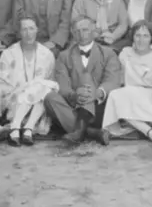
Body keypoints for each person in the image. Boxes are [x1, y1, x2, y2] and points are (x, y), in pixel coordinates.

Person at [45, 16, 125, 146]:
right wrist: (75, 95)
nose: (81, 34)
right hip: (73, 106)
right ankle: (91, 132)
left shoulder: (109, 53)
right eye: (77, 31)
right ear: (72, 33)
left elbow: (113, 81)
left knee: (86, 77)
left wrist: (97, 93)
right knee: (50, 98)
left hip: (99, 108)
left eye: (85, 30)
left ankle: (80, 131)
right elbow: (63, 85)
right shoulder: (64, 56)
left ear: (93, 30)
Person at [100, 22, 152, 144]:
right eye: (138, 35)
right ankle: (150, 133)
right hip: (129, 95)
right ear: (132, 37)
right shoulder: (125, 53)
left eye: (146, 36)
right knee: (115, 95)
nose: (141, 40)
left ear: (151, 38)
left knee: (129, 94)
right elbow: (120, 79)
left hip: (150, 96)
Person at [0, 16, 60, 147]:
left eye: (31, 29)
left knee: (43, 87)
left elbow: (50, 81)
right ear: (18, 32)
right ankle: (22, 126)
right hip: (14, 100)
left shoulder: (46, 54)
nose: (28, 33)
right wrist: (23, 89)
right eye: (24, 29)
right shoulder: (9, 53)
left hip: (39, 106)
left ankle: (22, 128)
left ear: (37, 30)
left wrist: (32, 87)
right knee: (39, 87)